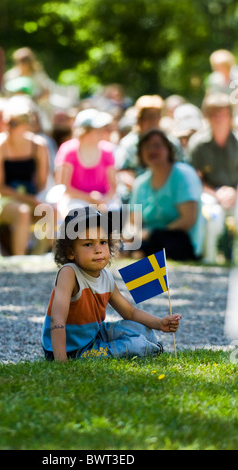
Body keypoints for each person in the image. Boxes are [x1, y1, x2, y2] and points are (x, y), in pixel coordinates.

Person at [41, 206, 181, 362]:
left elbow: (130, 313)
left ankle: (149, 345)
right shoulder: (70, 273)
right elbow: (57, 319)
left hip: (94, 334)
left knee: (140, 329)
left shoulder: (106, 277)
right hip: (72, 348)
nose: (98, 249)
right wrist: (61, 361)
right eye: (88, 244)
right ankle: (149, 348)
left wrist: (160, 323)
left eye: (103, 242)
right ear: (70, 252)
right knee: (135, 345)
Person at [0, 96, 50, 255]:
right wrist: (30, 200)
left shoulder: (39, 146)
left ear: (27, 125)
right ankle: (19, 260)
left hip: (30, 196)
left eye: (13, 123)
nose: (7, 127)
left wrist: (35, 199)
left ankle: (37, 257)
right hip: (4, 198)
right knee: (22, 212)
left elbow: (42, 183)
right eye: (6, 122)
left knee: (49, 212)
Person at [129, 129, 204, 261]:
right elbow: (133, 222)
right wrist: (133, 235)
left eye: (157, 145)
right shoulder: (141, 182)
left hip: (179, 240)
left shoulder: (182, 175)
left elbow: (188, 220)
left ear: (168, 149)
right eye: (147, 147)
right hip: (147, 240)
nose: (152, 150)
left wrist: (152, 234)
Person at [188, 93, 238, 261]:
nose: (219, 119)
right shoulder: (198, 144)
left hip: (235, 192)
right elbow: (196, 179)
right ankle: (209, 259)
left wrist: (233, 193)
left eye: (223, 114)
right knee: (211, 216)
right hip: (209, 193)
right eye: (214, 114)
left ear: (230, 116)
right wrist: (217, 194)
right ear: (207, 117)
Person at [54, 108, 118, 216]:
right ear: (85, 131)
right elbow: (65, 187)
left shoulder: (107, 151)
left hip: (103, 200)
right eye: (97, 129)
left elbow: (113, 186)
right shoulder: (68, 151)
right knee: (82, 216)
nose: (102, 132)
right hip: (75, 201)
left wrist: (104, 200)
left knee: (115, 215)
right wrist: (90, 198)